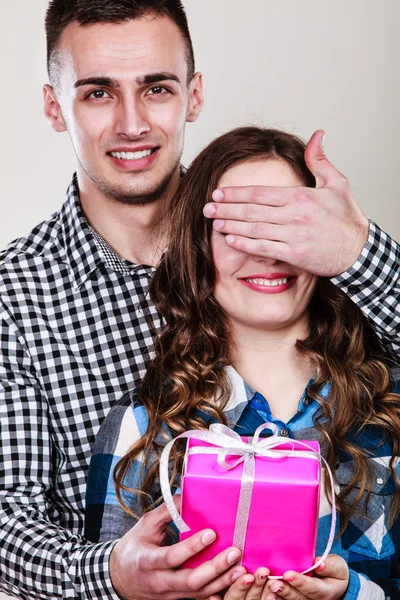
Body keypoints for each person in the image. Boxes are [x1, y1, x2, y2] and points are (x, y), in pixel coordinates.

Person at [0, 0, 399, 598]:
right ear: (55, 107)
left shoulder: (300, 241)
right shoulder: (15, 296)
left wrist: (359, 252)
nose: (132, 124)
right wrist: (111, 574)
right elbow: (8, 520)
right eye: (98, 93)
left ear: (193, 94)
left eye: (156, 88)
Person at [86, 126, 400, 600]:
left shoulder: (390, 402)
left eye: (286, 226)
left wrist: (356, 594)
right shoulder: (139, 429)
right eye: (238, 227)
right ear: (198, 248)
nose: (265, 251)